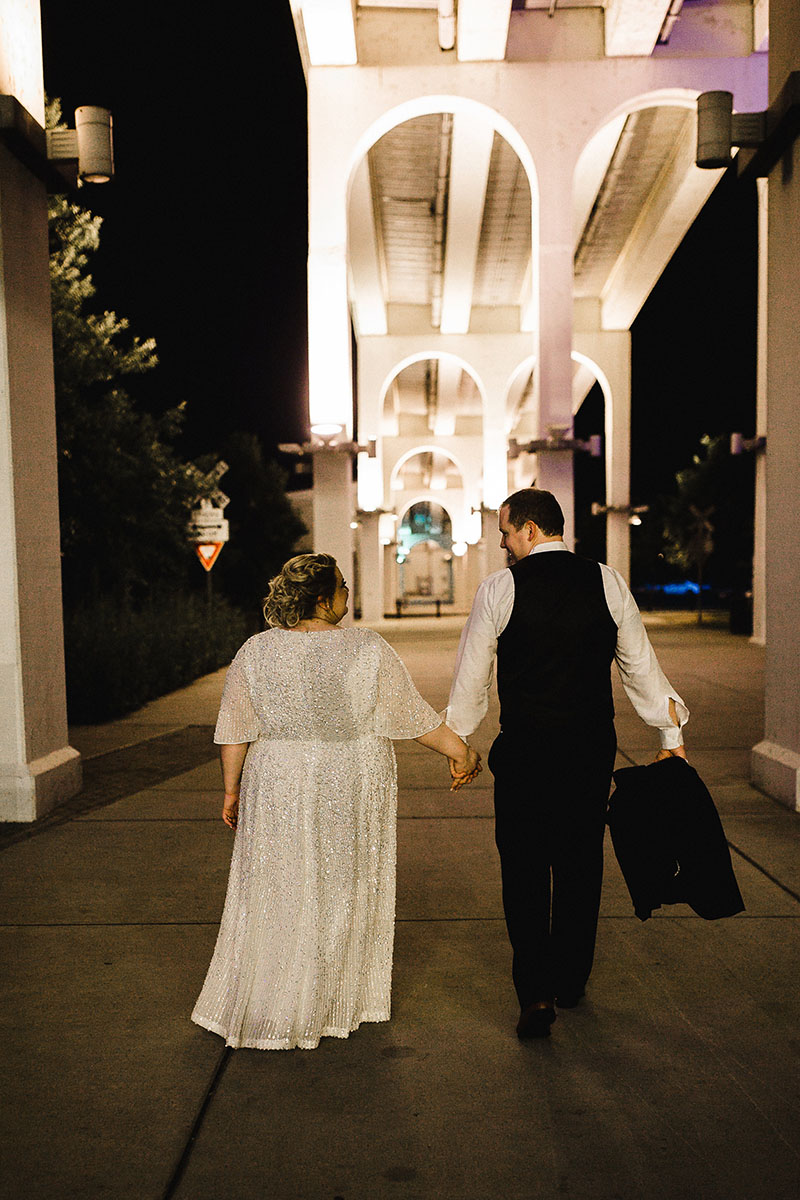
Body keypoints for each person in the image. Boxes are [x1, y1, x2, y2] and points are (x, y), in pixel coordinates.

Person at [192, 552, 481, 1051]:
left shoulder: (256, 652)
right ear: (324, 599)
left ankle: (271, 997)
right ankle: (328, 1000)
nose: (349, 593)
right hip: (347, 779)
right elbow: (410, 715)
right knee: (340, 884)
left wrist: (232, 789)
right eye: (343, 587)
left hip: (277, 778)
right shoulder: (366, 649)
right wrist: (462, 752)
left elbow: (235, 729)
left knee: (277, 886)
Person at [445, 488, 688, 1040]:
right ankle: (572, 980)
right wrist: (669, 732)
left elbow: (472, 681)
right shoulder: (608, 582)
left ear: (530, 530)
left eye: (506, 532)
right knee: (580, 864)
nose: (503, 543)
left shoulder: (499, 590)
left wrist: (458, 744)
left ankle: (534, 994)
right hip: (587, 753)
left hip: (525, 754)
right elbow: (640, 669)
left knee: (524, 871)